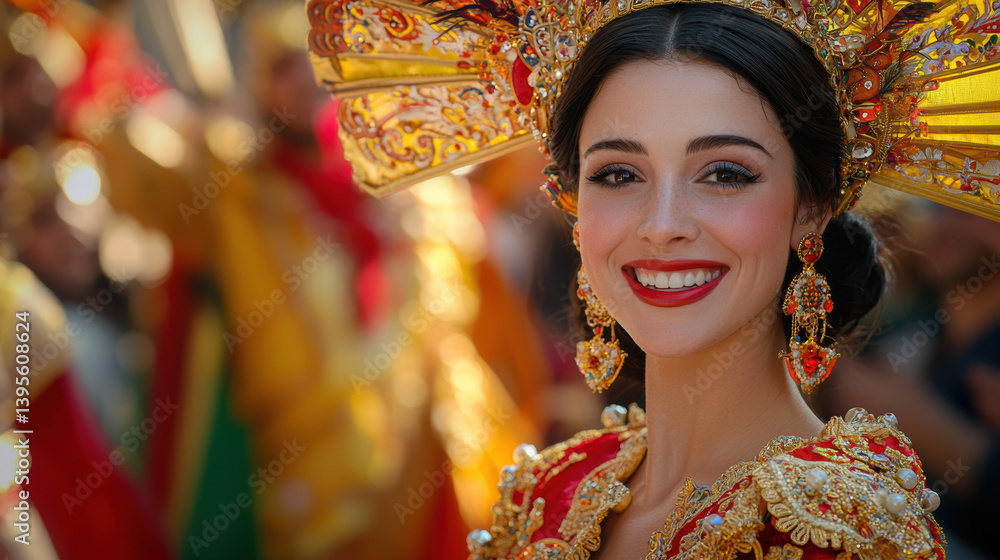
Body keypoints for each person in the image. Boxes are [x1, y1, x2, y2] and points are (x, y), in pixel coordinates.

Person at [304, 0, 1000, 556]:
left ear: (812, 207)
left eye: (725, 174)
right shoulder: (549, 489)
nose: (663, 223)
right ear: (573, 205)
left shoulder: (840, 532)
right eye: (619, 174)